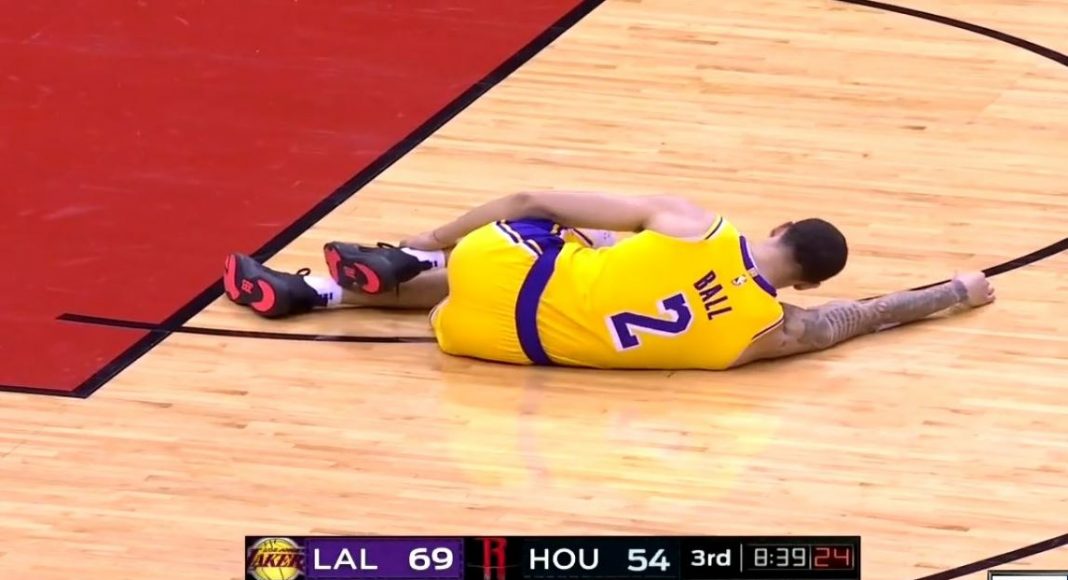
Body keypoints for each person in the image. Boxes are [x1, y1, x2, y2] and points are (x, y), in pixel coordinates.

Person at [223, 191, 995, 369]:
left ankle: (400, 263)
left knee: (568, 235)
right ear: (805, 286)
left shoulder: (699, 226)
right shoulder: (779, 331)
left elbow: (532, 197)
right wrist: (955, 293)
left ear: (781, 227)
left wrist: (429, 236)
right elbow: (862, 318)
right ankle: (311, 293)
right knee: (576, 273)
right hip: (483, 342)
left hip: (496, 276)